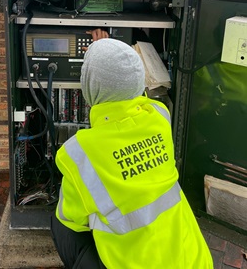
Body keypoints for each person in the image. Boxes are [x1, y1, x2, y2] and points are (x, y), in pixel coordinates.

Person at [51, 37, 213, 269]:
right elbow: (139, 98)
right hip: (194, 260)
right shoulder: (160, 117)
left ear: (88, 88)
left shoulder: (79, 153)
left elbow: (72, 221)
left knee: (60, 224)